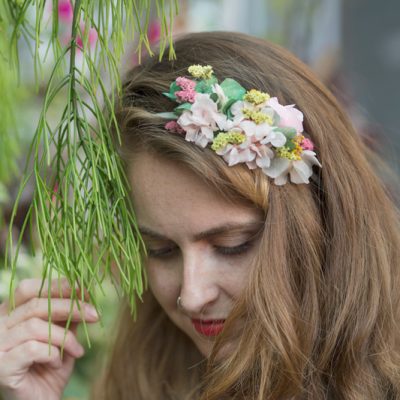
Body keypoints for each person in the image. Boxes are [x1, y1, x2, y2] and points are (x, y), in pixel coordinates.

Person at [1, 31, 399, 400]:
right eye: (161, 249)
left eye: (232, 245)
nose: (192, 296)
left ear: (322, 221)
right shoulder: (151, 371)